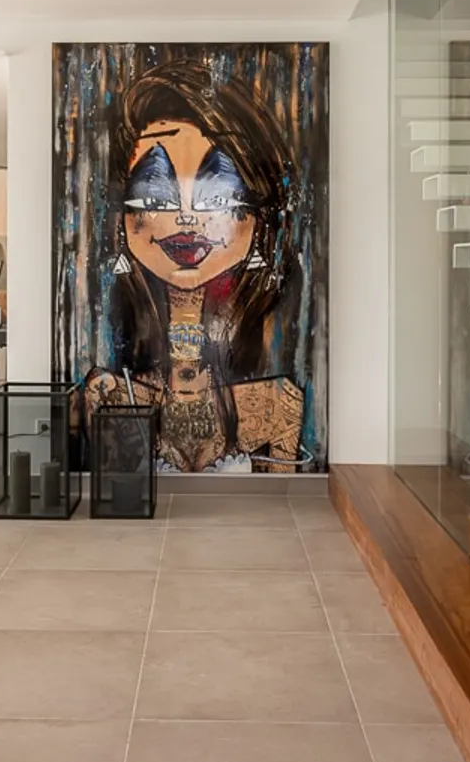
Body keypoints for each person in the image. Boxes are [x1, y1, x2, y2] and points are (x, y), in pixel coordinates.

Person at [85, 60, 306, 472]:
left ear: (259, 213)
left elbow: (283, 497)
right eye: (155, 196)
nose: (187, 218)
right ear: (122, 220)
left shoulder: (277, 404)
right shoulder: (112, 392)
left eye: (217, 197)